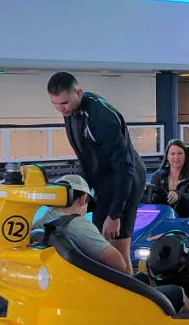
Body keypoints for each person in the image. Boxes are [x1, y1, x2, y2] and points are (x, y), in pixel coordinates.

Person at [34, 174, 189, 312]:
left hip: (73, 292)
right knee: (176, 292)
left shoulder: (39, 225)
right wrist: (107, 242)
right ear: (83, 199)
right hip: (101, 296)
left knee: (143, 279)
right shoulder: (77, 224)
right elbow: (119, 265)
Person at [48, 71, 146, 275]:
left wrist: (115, 214)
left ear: (79, 93)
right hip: (105, 180)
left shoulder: (102, 118)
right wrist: (81, 193)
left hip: (125, 181)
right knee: (102, 245)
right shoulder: (71, 112)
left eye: (64, 103)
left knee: (118, 251)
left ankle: (130, 299)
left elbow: (124, 168)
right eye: (55, 104)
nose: (60, 109)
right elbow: (86, 158)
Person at [148, 139, 189, 218]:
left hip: (186, 221)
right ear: (167, 156)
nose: (176, 157)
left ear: (185, 156)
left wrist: (178, 195)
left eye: (180, 153)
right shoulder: (157, 176)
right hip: (162, 219)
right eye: (172, 154)